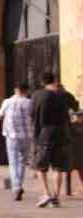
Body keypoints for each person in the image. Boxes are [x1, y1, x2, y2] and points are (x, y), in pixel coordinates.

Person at [30, 71, 79, 207]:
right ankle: (56, 197)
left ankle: (46, 193)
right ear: (54, 80)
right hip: (63, 135)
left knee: (40, 167)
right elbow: (76, 106)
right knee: (58, 168)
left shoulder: (37, 95)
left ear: (42, 82)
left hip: (44, 135)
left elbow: (32, 114)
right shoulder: (64, 94)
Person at [0, 82, 33, 201]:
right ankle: (19, 185)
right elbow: (33, 116)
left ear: (15, 90)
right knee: (22, 162)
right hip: (27, 136)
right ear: (26, 91)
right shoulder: (29, 103)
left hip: (11, 136)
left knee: (13, 162)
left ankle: (16, 187)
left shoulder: (7, 102)